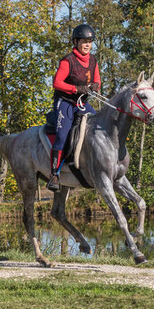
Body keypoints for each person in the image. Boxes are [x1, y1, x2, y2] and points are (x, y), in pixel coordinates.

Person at [47, 24, 101, 192]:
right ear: (76, 42)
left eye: (90, 42)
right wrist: (76, 89)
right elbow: (57, 83)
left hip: (82, 104)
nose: (87, 45)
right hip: (65, 103)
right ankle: (54, 174)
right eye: (84, 41)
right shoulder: (67, 60)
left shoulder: (93, 61)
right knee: (62, 136)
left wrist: (94, 86)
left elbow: (98, 81)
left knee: (98, 128)